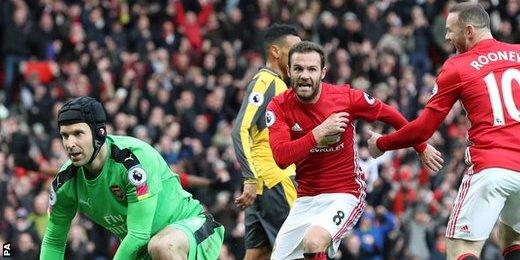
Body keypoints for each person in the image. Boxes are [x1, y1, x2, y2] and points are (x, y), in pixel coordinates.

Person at [367, 3, 520, 260]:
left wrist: (381, 143)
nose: (447, 37)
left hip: (491, 167)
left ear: (469, 31)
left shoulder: (458, 66)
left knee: (460, 248)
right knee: (514, 242)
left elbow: (423, 129)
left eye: (451, 31)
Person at [266, 41, 443, 260]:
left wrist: (421, 146)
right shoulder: (278, 106)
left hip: (345, 193)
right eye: (298, 69)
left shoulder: (345, 98)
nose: (304, 75)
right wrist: (319, 133)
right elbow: (282, 158)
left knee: (313, 241)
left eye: (311, 69)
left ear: (322, 72)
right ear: (289, 71)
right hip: (305, 198)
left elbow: (390, 115)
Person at [41, 97, 224, 260]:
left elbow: (138, 235)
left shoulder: (133, 162)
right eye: (65, 135)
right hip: (142, 251)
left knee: (162, 246)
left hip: (192, 230)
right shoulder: (64, 183)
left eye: (78, 134)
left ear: (99, 133)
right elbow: (53, 242)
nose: (70, 144)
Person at [231, 24, 301, 260]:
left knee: (257, 254)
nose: (298, 57)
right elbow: (240, 128)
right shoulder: (266, 82)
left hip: (264, 185)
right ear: (275, 51)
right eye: (294, 50)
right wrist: (249, 178)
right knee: (299, 250)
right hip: (275, 181)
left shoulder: (282, 86)